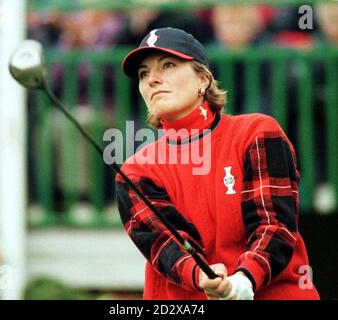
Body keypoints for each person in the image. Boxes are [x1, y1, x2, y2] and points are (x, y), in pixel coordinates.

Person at [115, 27, 320, 300]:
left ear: (203, 80)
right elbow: (166, 245)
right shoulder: (134, 171)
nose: (152, 79)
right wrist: (203, 276)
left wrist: (245, 278)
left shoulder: (258, 132)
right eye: (143, 73)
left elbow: (274, 225)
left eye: (168, 65)